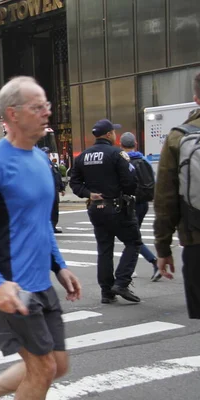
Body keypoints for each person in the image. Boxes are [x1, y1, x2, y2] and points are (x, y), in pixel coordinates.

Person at [0, 76, 81, 400]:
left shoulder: (40, 159)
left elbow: (38, 221)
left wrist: (60, 266)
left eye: (46, 105)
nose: (46, 113)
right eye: (37, 107)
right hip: (11, 284)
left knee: (59, 363)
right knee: (42, 368)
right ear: (13, 114)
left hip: (41, 280)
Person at [70, 119, 141, 304]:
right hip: (117, 207)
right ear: (109, 134)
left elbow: (74, 183)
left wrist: (88, 193)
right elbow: (130, 182)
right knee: (133, 242)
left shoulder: (83, 156)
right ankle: (122, 282)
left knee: (104, 248)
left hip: (95, 208)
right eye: (114, 132)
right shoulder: (117, 154)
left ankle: (106, 291)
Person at [154, 73, 200, 319]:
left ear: (196, 99)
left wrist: (163, 248)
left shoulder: (178, 137)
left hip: (196, 241)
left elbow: (165, 200)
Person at [119, 132, 161, 282]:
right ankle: (134, 267)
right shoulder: (144, 160)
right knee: (134, 237)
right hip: (144, 203)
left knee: (132, 238)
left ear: (121, 145)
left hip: (130, 204)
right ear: (135, 144)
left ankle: (154, 262)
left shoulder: (123, 161)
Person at [42, 147, 66, 233]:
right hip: (45, 191)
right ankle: (47, 227)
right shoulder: (40, 164)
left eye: (48, 153)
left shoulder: (53, 164)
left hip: (54, 190)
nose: (47, 154)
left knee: (55, 210)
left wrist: (62, 188)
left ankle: (53, 226)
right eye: (45, 152)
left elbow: (57, 176)